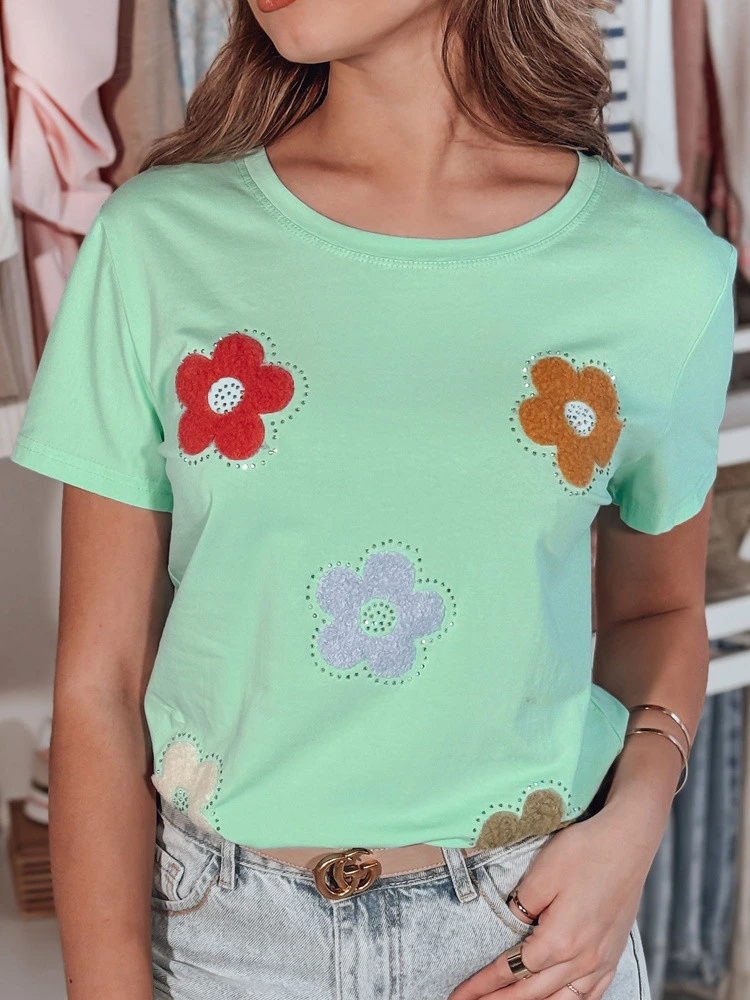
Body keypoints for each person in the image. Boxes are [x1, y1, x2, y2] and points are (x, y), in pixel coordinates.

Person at [11, 1, 738, 998]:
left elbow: (659, 610)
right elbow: (98, 684)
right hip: (216, 948)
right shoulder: (157, 242)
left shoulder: (657, 270)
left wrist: (636, 820)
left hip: (530, 933)